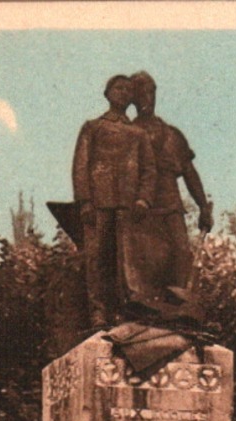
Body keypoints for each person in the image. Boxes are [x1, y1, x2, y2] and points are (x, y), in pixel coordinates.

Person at [72, 75, 157, 326]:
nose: (123, 92)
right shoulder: (92, 127)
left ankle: (123, 310)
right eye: (118, 88)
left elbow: (149, 170)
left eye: (128, 90)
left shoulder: (138, 134)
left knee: (126, 260)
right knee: (97, 258)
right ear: (107, 92)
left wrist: (144, 199)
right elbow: (81, 165)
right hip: (98, 203)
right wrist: (85, 201)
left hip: (128, 206)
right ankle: (98, 312)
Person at [130, 71, 213, 291]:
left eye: (150, 92)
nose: (147, 97)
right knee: (145, 258)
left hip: (170, 204)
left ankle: (178, 306)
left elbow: (189, 172)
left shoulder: (172, 135)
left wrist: (203, 206)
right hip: (140, 207)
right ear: (133, 98)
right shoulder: (126, 134)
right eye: (141, 93)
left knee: (180, 252)